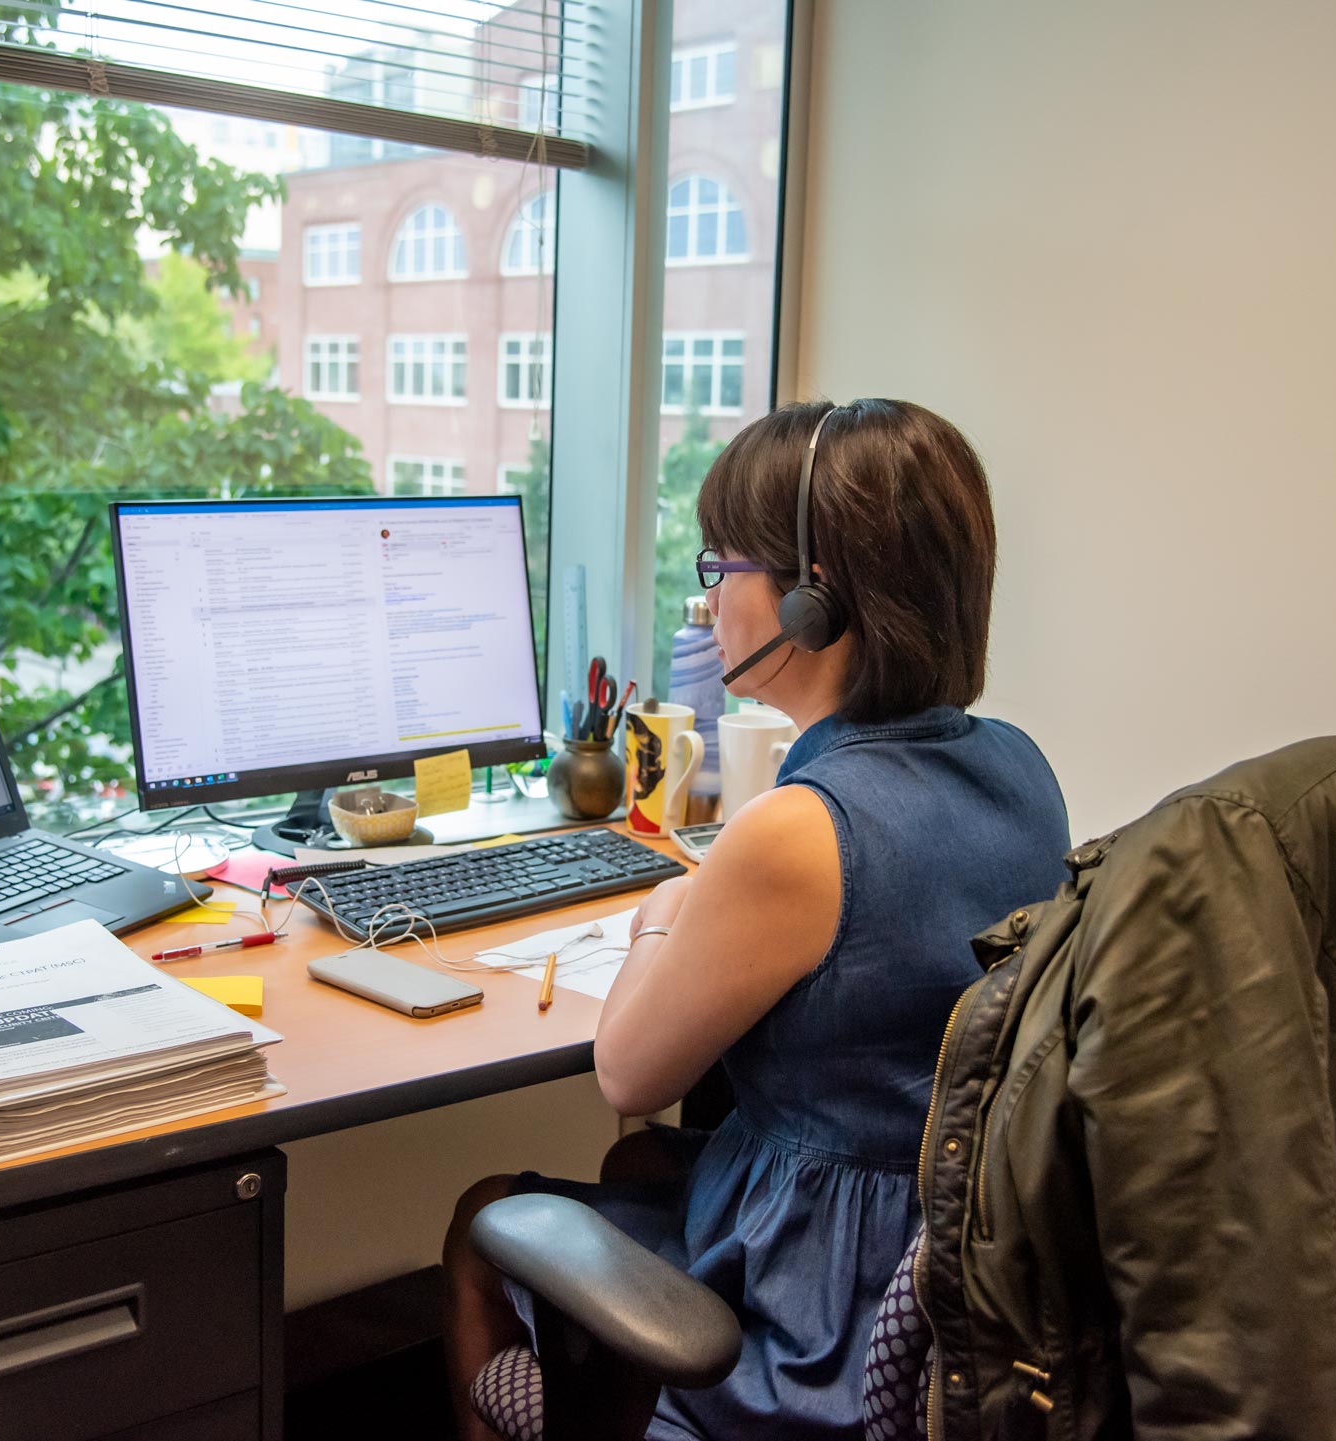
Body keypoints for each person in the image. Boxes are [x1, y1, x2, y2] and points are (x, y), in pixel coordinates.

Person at [444, 398, 1072, 1440]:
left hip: (821, 1319)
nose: (708, 601)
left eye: (717, 566)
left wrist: (663, 910)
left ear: (809, 603)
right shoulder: (1016, 764)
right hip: (959, 1275)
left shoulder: (797, 831)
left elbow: (628, 1076)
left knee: (482, 1219)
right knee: (635, 1167)